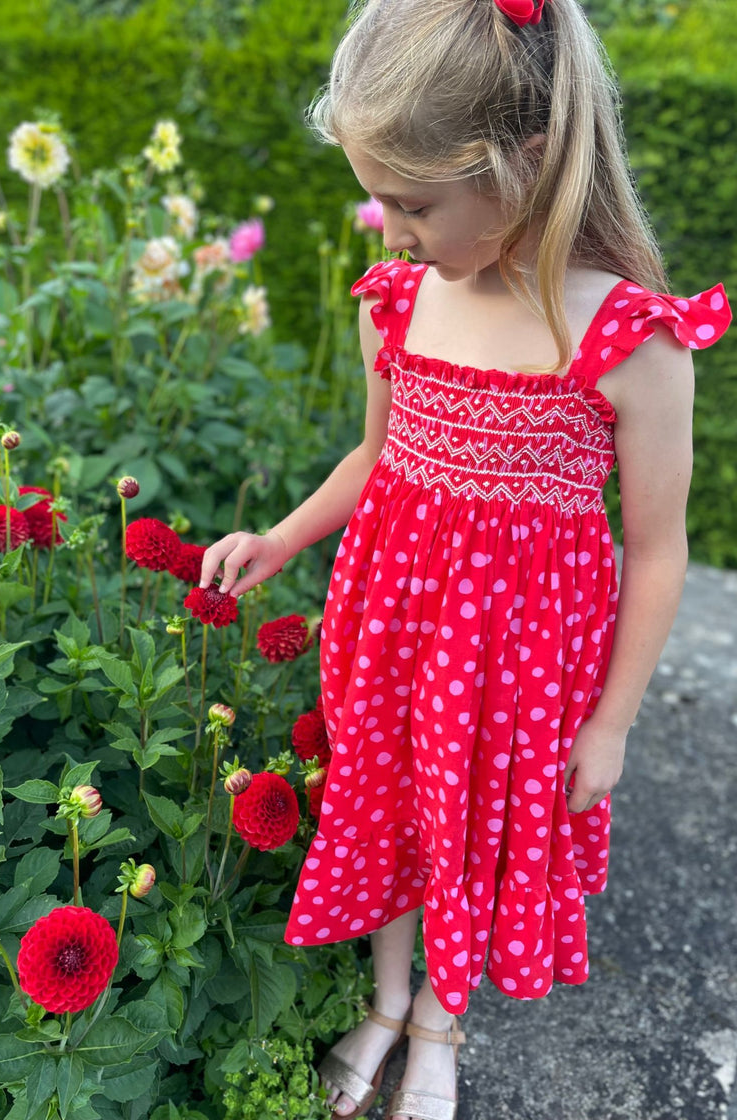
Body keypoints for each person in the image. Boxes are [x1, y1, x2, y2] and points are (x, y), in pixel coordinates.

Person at [199, 0, 732, 1116]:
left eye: (413, 204)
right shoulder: (398, 302)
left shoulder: (629, 342)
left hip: (516, 672)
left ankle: (441, 1016)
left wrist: (612, 721)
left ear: (524, 165)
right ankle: (388, 999)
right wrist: (284, 536)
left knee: (470, 827)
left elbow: (654, 545)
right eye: (379, 199)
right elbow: (376, 458)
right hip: (388, 633)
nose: (388, 230)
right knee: (390, 804)